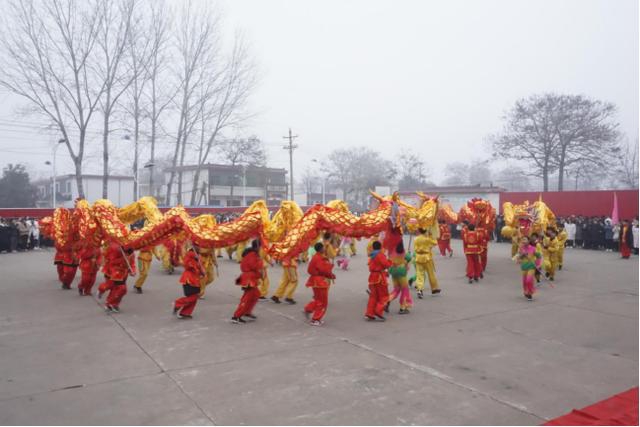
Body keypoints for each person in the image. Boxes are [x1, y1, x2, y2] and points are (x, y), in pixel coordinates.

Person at [303, 242, 336, 326]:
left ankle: (308, 308)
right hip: (321, 282)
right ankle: (315, 319)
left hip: (314, 281)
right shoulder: (321, 258)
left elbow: (309, 270)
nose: (324, 249)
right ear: (321, 249)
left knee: (318, 299)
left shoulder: (315, 257)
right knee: (323, 302)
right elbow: (324, 270)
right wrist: (330, 268)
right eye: (323, 248)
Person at [231, 240, 263, 323]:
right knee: (247, 298)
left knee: (256, 294)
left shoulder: (253, 254)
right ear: (258, 247)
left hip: (250, 277)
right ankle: (236, 316)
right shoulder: (252, 255)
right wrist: (260, 262)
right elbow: (254, 266)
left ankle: (247, 312)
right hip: (249, 279)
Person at [173, 245, 205, 319]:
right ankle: (178, 303)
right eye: (199, 246)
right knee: (194, 296)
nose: (201, 248)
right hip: (189, 279)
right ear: (194, 246)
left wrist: (202, 272)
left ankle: (185, 313)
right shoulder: (189, 254)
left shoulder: (198, 255)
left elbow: (200, 267)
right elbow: (186, 265)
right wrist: (194, 262)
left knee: (195, 296)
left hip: (196, 279)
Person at [365, 240, 392, 321]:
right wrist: (390, 261)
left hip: (372, 277)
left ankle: (369, 313)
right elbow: (386, 265)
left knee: (373, 296)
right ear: (380, 247)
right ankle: (378, 310)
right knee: (384, 296)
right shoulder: (380, 255)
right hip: (379, 277)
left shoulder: (371, 256)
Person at [104, 245, 136, 313]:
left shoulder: (132, 253)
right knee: (122, 289)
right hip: (115, 273)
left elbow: (132, 263)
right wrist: (122, 260)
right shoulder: (116, 251)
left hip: (124, 275)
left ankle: (114, 304)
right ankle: (109, 303)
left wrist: (132, 270)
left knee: (119, 290)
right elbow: (111, 262)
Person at [413, 228, 440, 298]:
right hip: (427, 258)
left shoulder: (415, 239)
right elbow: (435, 243)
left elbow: (415, 248)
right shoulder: (427, 239)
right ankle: (434, 288)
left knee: (420, 274)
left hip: (418, 257)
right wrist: (431, 235)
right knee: (431, 273)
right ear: (426, 231)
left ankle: (419, 289)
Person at [388, 241, 413, 314]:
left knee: (396, 289)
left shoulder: (391, 251)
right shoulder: (403, 252)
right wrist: (408, 254)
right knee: (404, 289)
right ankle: (403, 307)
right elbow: (409, 258)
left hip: (393, 271)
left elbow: (390, 260)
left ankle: (387, 300)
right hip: (401, 272)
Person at [515, 236, 541, 301]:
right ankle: (526, 291)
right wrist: (522, 255)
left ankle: (530, 293)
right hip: (524, 267)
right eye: (522, 240)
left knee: (529, 280)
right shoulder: (521, 248)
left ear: (528, 241)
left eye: (525, 239)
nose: (523, 241)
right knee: (524, 281)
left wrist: (537, 264)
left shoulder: (533, 248)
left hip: (531, 267)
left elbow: (539, 256)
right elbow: (517, 258)